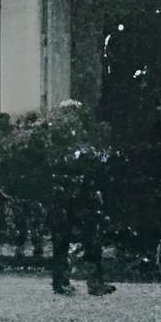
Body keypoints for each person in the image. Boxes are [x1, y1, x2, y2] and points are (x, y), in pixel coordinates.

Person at [48, 121, 117, 299]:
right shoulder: (62, 150)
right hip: (67, 201)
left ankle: (95, 283)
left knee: (92, 243)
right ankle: (61, 283)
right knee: (63, 243)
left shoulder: (86, 151)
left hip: (83, 202)